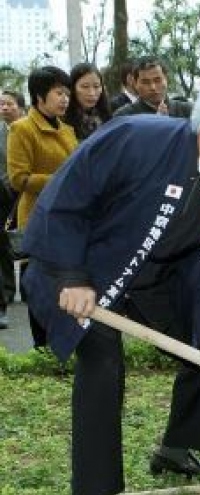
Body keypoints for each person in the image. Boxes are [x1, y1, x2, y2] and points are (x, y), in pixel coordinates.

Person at [22, 72, 200, 495]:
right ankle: (96, 487)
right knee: (102, 361)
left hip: (152, 275)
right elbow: (67, 200)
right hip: (77, 267)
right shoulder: (134, 138)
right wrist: (71, 274)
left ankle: (178, 447)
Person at [7, 66, 77, 348]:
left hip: (69, 217)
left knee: (65, 283)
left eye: (67, 93)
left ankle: (61, 345)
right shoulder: (22, 128)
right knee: (38, 286)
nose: (65, 99)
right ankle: (42, 348)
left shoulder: (68, 129)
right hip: (37, 217)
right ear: (39, 96)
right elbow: (18, 178)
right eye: (58, 92)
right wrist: (62, 180)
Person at [0, 89, 26, 324]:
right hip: (3, 195)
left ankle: (28, 288)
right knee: (4, 246)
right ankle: (5, 294)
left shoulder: (29, 128)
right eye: (1, 105)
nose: (4, 108)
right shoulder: (0, 132)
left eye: (8, 104)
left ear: (20, 106)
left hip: (27, 192)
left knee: (27, 241)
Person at [114, 56, 192, 118]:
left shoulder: (187, 111)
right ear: (135, 83)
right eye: (145, 82)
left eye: (157, 80)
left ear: (166, 79)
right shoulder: (124, 116)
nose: (153, 87)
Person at [65, 62, 112, 141]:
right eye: (85, 87)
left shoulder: (106, 115)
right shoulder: (63, 119)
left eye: (96, 86)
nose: (92, 93)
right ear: (73, 88)